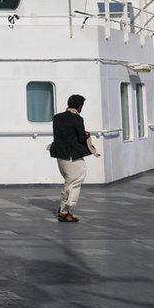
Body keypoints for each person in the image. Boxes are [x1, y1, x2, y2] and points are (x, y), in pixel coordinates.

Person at [49, 94, 94, 223]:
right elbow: (81, 138)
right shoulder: (77, 119)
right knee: (75, 181)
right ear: (79, 106)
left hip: (60, 155)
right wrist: (86, 135)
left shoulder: (57, 118)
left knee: (69, 182)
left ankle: (63, 209)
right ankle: (64, 212)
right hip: (71, 156)